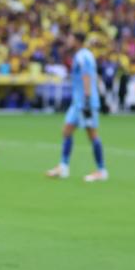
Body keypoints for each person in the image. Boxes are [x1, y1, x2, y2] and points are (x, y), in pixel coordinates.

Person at [46, 33, 108, 182]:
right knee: (66, 131)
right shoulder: (82, 55)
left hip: (85, 102)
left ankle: (101, 170)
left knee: (92, 134)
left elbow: (87, 76)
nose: (68, 40)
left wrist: (87, 99)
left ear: (77, 41)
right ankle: (63, 167)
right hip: (77, 103)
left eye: (70, 38)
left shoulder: (83, 56)